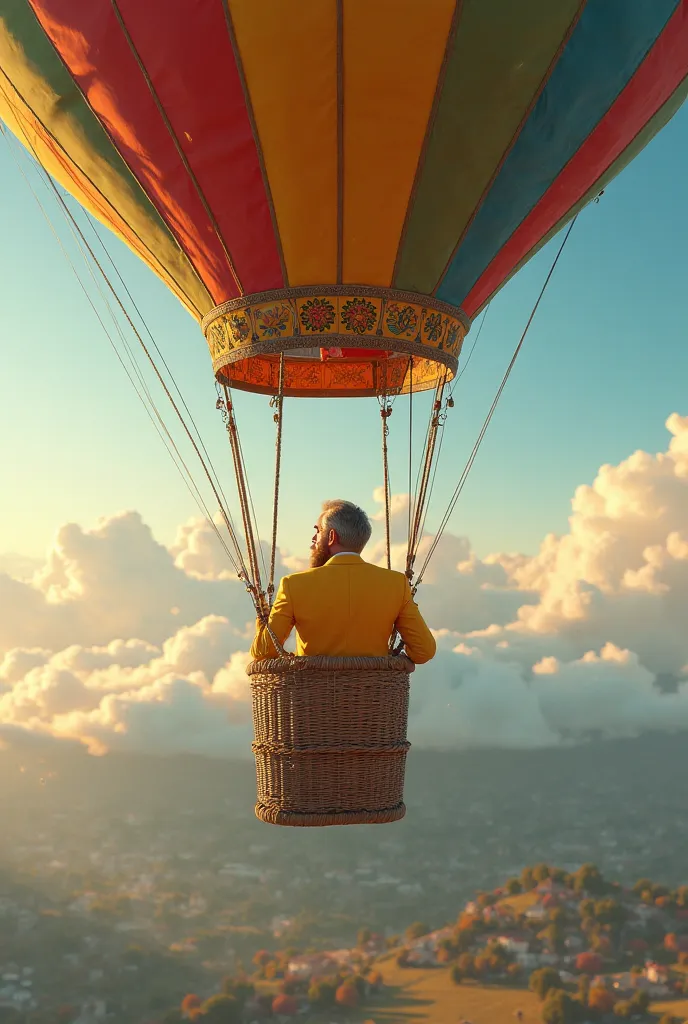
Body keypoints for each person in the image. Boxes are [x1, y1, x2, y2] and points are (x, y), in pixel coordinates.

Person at [250, 498, 436, 664]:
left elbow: (265, 652)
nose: (313, 540)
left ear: (331, 537)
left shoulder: (293, 584)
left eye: (318, 531)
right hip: (373, 697)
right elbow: (423, 651)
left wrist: (263, 623)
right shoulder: (396, 584)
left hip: (310, 698)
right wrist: (393, 658)